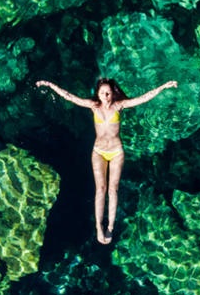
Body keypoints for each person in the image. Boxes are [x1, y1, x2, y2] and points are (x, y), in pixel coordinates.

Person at [36, 77, 178, 244]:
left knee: (113, 190)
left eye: (108, 93)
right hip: (99, 152)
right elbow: (69, 96)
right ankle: (98, 227)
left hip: (116, 152)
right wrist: (50, 85)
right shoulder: (93, 106)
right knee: (101, 189)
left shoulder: (119, 106)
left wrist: (163, 86)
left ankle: (110, 226)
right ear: (98, 93)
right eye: (102, 93)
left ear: (112, 94)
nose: (105, 96)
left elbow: (143, 98)